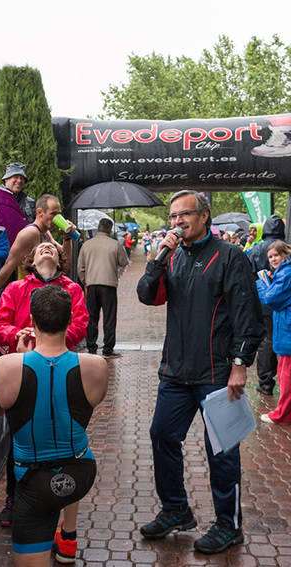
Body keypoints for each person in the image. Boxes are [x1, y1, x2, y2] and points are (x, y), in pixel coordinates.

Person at [137, 190, 264, 555]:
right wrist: (156, 261)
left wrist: (240, 365)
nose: (177, 221)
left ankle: (229, 525)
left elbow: (247, 315)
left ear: (204, 215)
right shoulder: (171, 257)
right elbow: (147, 295)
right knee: (161, 435)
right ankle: (175, 509)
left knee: (222, 453)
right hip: (175, 372)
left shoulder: (231, 257)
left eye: (185, 214)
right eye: (173, 216)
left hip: (217, 372)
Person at [0, 285, 108, 566]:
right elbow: (84, 403)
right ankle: (67, 536)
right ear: (69, 321)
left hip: (33, 481)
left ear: (31, 320)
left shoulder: (5, 366)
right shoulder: (97, 366)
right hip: (80, 472)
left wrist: (19, 357)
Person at [0, 241, 88, 531]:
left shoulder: (73, 289)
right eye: (41, 247)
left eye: (52, 248)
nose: (47, 249)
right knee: (18, 436)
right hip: (22, 371)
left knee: (61, 432)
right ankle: (14, 496)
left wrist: (51, 340)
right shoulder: (16, 289)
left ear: (59, 259)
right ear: (32, 258)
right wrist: (18, 334)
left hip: (60, 370)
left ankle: (60, 494)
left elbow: (81, 323)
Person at [0, 194, 75, 311]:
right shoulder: (30, 233)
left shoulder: (46, 233)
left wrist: (67, 238)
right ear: (39, 212)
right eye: (53, 214)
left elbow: (65, 262)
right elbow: (9, 265)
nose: (56, 218)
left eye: (59, 214)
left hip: (44, 295)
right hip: (27, 298)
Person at [247, 214, 287, 396]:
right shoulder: (285, 248)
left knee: (266, 341)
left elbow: (246, 276)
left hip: (262, 303)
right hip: (284, 303)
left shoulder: (255, 250)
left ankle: (265, 382)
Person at [77, 218, 129, 358]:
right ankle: (107, 348)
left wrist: (85, 281)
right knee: (109, 317)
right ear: (110, 229)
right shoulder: (115, 244)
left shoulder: (87, 245)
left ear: (98, 228)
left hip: (91, 284)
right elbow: (124, 262)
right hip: (109, 285)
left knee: (92, 317)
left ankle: (91, 347)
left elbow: (80, 267)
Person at [257, 240, 291, 425]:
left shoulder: (286, 273)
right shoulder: (283, 272)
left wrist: (261, 284)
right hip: (285, 327)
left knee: (286, 376)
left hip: (287, 329)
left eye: (276, 255)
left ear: (284, 253)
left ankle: (282, 415)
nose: (273, 259)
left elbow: (271, 298)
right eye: (270, 257)